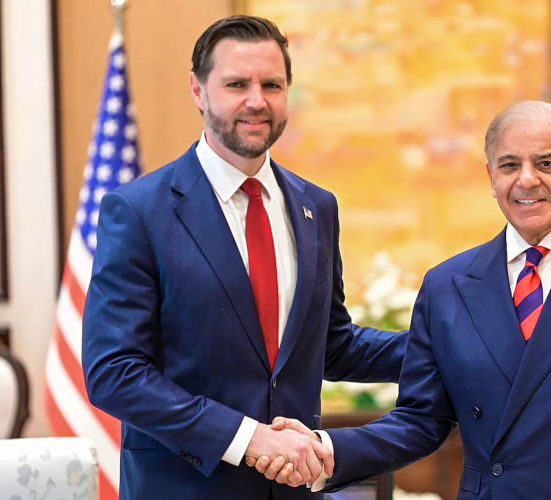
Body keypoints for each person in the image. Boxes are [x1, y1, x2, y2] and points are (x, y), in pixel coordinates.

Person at [259, 100, 551, 498]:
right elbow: (420, 421)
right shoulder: (447, 287)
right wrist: (328, 448)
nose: (527, 180)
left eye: (547, 164)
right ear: (491, 177)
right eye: (510, 165)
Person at [82, 15, 406, 499]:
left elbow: (332, 346)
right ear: (197, 90)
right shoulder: (138, 211)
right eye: (237, 84)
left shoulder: (317, 207)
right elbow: (114, 371)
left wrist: (447, 342)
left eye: (271, 84)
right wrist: (246, 438)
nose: (257, 100)